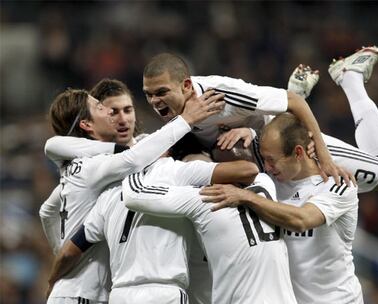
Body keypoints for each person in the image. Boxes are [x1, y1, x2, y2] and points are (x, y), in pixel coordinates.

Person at [41, 79, 225, 304]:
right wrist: (186, 119)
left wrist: (58, 253)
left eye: (127, 110)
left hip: (86, 291)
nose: (114, 116)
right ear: (87, 125)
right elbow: (132, 159)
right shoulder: (95, 167)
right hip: (85, 293)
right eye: (103, 109)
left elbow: (47, 211)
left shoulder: (78, 166)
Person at [46, 145, 259, 303]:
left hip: (120, 294)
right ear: (166, 151)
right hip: (165, 292)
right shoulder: (176, 171)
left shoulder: (109, 194)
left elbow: (69, 252)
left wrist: (52, 281)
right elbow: (247, 171)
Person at [200, 112, 363, 303]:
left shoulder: (338, 185)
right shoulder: (273, 181)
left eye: (271, 160)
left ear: (299, 153)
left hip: (339, 301)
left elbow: (302, 220)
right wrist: (249, 132)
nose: (266, 167)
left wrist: (246, 197)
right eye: (264, 159)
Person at [142, 52, 349, 185]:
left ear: (186, 86)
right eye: (148, 94)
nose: (153, 101)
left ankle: (351, 77)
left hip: (271, 146)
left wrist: (324, 156)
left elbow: (295, 102)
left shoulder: (223, 94)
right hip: (232, 155)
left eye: (161, 92)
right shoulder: (172, 107)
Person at [120, 156, 298, 303]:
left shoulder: (203, 198)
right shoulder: (265, 182)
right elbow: (250, 169)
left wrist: (136, 161)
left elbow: (134, 195)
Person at [286, 46, 378, 192]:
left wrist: (293, 101)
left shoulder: (248, 93)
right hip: (281, 152)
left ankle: (350, 78)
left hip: (301, 147)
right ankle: (350, 78)